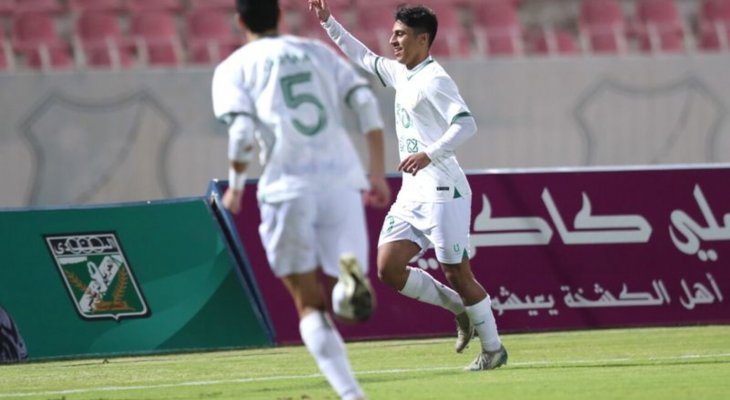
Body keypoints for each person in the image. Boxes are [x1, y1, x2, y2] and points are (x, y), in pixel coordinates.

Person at [308, 0, 508, 371]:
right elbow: (363, 57)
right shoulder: (402, 73)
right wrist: (328, 22)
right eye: (393, 33)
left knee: (458, 273)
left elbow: (466, 124)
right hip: (412, 193)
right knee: (387, 269)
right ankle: (459, 312)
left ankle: (494, 349)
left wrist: (429, 153)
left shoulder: (436, 80)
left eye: (400, 34)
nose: (392, 40)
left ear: (422, 39)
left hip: (444, 191)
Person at [212, 1, 391, 398]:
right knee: (341, 274)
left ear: (239, 21)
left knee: (308, 302)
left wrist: (237, 187)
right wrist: (375, 172)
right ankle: (348, 279)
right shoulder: (317, 51)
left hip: (287, 188)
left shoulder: (233, 68)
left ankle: (352, 395)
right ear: (279, 15)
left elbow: (241, 133)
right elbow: (364, 103)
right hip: (341, 182)